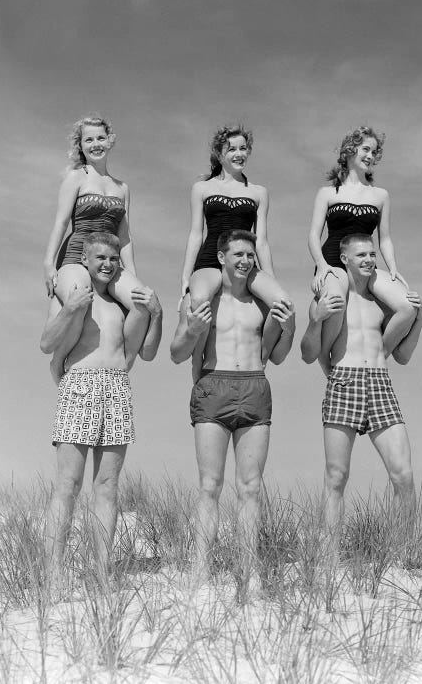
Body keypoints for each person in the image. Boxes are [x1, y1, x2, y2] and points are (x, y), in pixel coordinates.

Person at [171, 229, 295, 589]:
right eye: (238, 254)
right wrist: (193, 329)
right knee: (210, 485)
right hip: (214, 385)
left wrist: (286, 329)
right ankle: (200, 569)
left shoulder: (261, 304)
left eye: (250, 256)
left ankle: (250, 570)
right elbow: (176, 353)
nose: (245, 261)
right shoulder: (201, 302)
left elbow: (277, 356)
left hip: (255, 387)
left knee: (251, 487)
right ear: (221, 257)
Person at [41, 231, 162, 580]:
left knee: (108, 486)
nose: (108, 264)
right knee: (68, 483)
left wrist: (156, 315)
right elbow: (46, 343)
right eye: (100, 258)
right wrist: (70, 308)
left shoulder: (122, 305)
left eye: (113, 259)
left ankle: (101, 571)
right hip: (80, 385)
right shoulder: (72, 295)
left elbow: (146, 353)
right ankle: (53, 573)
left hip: (117, 387)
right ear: (85, 261)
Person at [301, 233, 422, 544]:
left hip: (380, 383)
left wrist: (419, 317)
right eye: (362, 255)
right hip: (345, 381)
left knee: (404, 476)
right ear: (344, 259)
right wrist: (315, 320)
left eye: (372, 254)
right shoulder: (332, 299)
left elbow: (404, 356)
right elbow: (309, 353)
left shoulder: (383, 304)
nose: (370, 260)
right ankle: (328, 552)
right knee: (336, 478)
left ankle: (402, 551)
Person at [43, 115, 150, 384]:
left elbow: (124, 237)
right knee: (81, 298)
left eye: (100, 138)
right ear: (81, 145)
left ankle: (125, 363)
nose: (95, 144)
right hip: (77, 254)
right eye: (88, 139)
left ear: (110, 140)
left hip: (109, 259)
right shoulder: (76, 178)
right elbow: (61, 221)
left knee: (142, 303)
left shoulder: (122, 187)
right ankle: (59, 361)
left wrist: (133, 274)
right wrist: (48, 263)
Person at [181, 124, 291, 380]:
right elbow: (195, 234)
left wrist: (271, 278)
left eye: (243, 148)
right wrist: (186, 277)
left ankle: (258, 365)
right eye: (232, 149)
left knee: (282, 303)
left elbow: (261, 241)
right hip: (210, 259)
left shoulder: (258, 192)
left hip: (245, 262)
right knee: (198, 303)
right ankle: (198, 376)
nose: (238, 153)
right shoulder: (202, 188)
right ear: (220, 154)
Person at [308, 126, 416, 368]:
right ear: (350, 150)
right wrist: (321, 265)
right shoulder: (327, 193)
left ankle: (379, 356)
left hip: (366, 264)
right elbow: (314, 236)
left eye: (374, 152)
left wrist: (394, 269)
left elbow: (385, 238)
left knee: (407, 307)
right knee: (336, 300)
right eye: (365, 149)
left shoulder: (380, 196)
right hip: (333, 262)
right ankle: (327, 362)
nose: (370, 156)